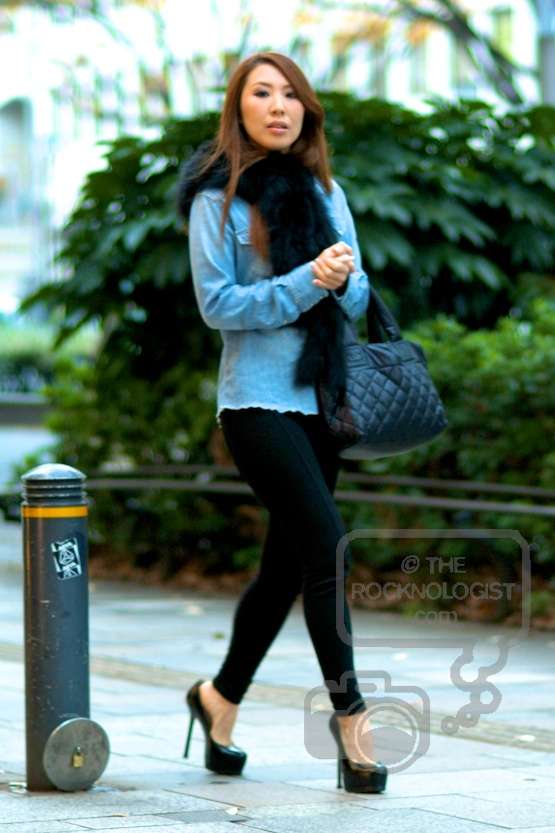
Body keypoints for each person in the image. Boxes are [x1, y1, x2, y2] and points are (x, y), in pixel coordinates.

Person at [176, 51, 387, 794]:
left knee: (284, 570)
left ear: (306, 110)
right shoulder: (217, 201)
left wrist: (341, 277)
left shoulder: (328, 191)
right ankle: (351, 720)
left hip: (322, 401)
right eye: (261, 93)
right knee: (327, 548)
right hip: (257, 403)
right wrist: (305, 281)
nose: (278, 106)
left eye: (290, 94)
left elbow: (358, 298)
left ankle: (218, 699)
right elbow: (218, 307)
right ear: (238, 110)